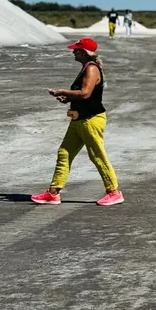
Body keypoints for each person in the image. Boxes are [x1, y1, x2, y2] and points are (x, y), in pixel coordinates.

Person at [31, 38, 124, 206]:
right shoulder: (85, 68)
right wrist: (67, 98)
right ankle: (53, 193)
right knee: (64, 152)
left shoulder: (92, 69)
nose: (73, 52)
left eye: (76, 50)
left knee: (97, 155)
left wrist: (62, 91)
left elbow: (85, 93)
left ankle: (114, 192)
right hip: (78, 119)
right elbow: (81, 94)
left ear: (84, 52)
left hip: (91, 119)